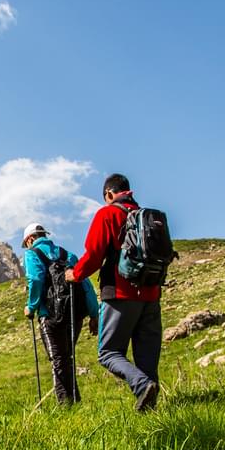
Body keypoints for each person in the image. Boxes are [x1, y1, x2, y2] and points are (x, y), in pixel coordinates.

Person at [65, 174, 163, 412]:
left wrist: (75, 275)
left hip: (120, 293)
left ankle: (141, 386)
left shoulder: (107, 214)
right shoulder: (147, 216)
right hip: (151, 294)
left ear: (109, 194)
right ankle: (151, 414)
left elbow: (94, 255)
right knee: (146, 358)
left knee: (108, 352)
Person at [22, 222, 99, 404]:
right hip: (74, 313)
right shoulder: (67, 255)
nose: (27, 246)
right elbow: (85, 284)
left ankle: (65, 405)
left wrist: (31, 307)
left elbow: (36, 279)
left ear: (30, 239)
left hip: (50, 315)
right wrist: (94, 314)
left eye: (26, 243)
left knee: (58, 359)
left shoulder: (32, 254)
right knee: (67, 357)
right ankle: (74, 400)